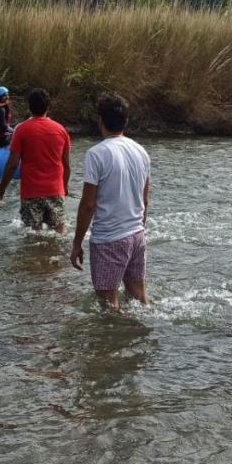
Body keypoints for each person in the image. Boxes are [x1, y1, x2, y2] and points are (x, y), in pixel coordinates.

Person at [70, 93, 151, 310]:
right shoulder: (141, 151)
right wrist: (139, 227)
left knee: (107, 303)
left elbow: (88, 204)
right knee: (138, 297)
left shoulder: (96, 154)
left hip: (109, 239)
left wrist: (77, 243)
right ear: (125, 121)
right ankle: (140, 339)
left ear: (100, 121)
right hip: (137, 235)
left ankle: (113, 341)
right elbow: (145, 198)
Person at [0, 88, 71, 233]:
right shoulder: (61, 130)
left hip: (31, 193)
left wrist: (2, 188)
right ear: (48, 106)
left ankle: (33, 256)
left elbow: (12, 164)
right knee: (60, 232)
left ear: (29, 107)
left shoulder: (21, 130)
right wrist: (64, 187)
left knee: (34, 235)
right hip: (55, 190)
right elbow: (67, 165)